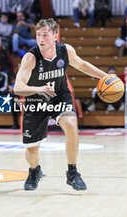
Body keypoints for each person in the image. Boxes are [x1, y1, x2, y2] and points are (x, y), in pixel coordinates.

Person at [14, 18, 107, 191]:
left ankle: (72, 172)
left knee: (71, 124)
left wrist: (105, 76)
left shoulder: (65, 50)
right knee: (32, 150)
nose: (41, 39)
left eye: (45, 35)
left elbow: (82, 65)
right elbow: (18, 87)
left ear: (55, 35)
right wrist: (39, 89)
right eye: (38, 35)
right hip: (36, 99)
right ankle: (34, 171)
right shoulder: (30, 57)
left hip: (59, 96)